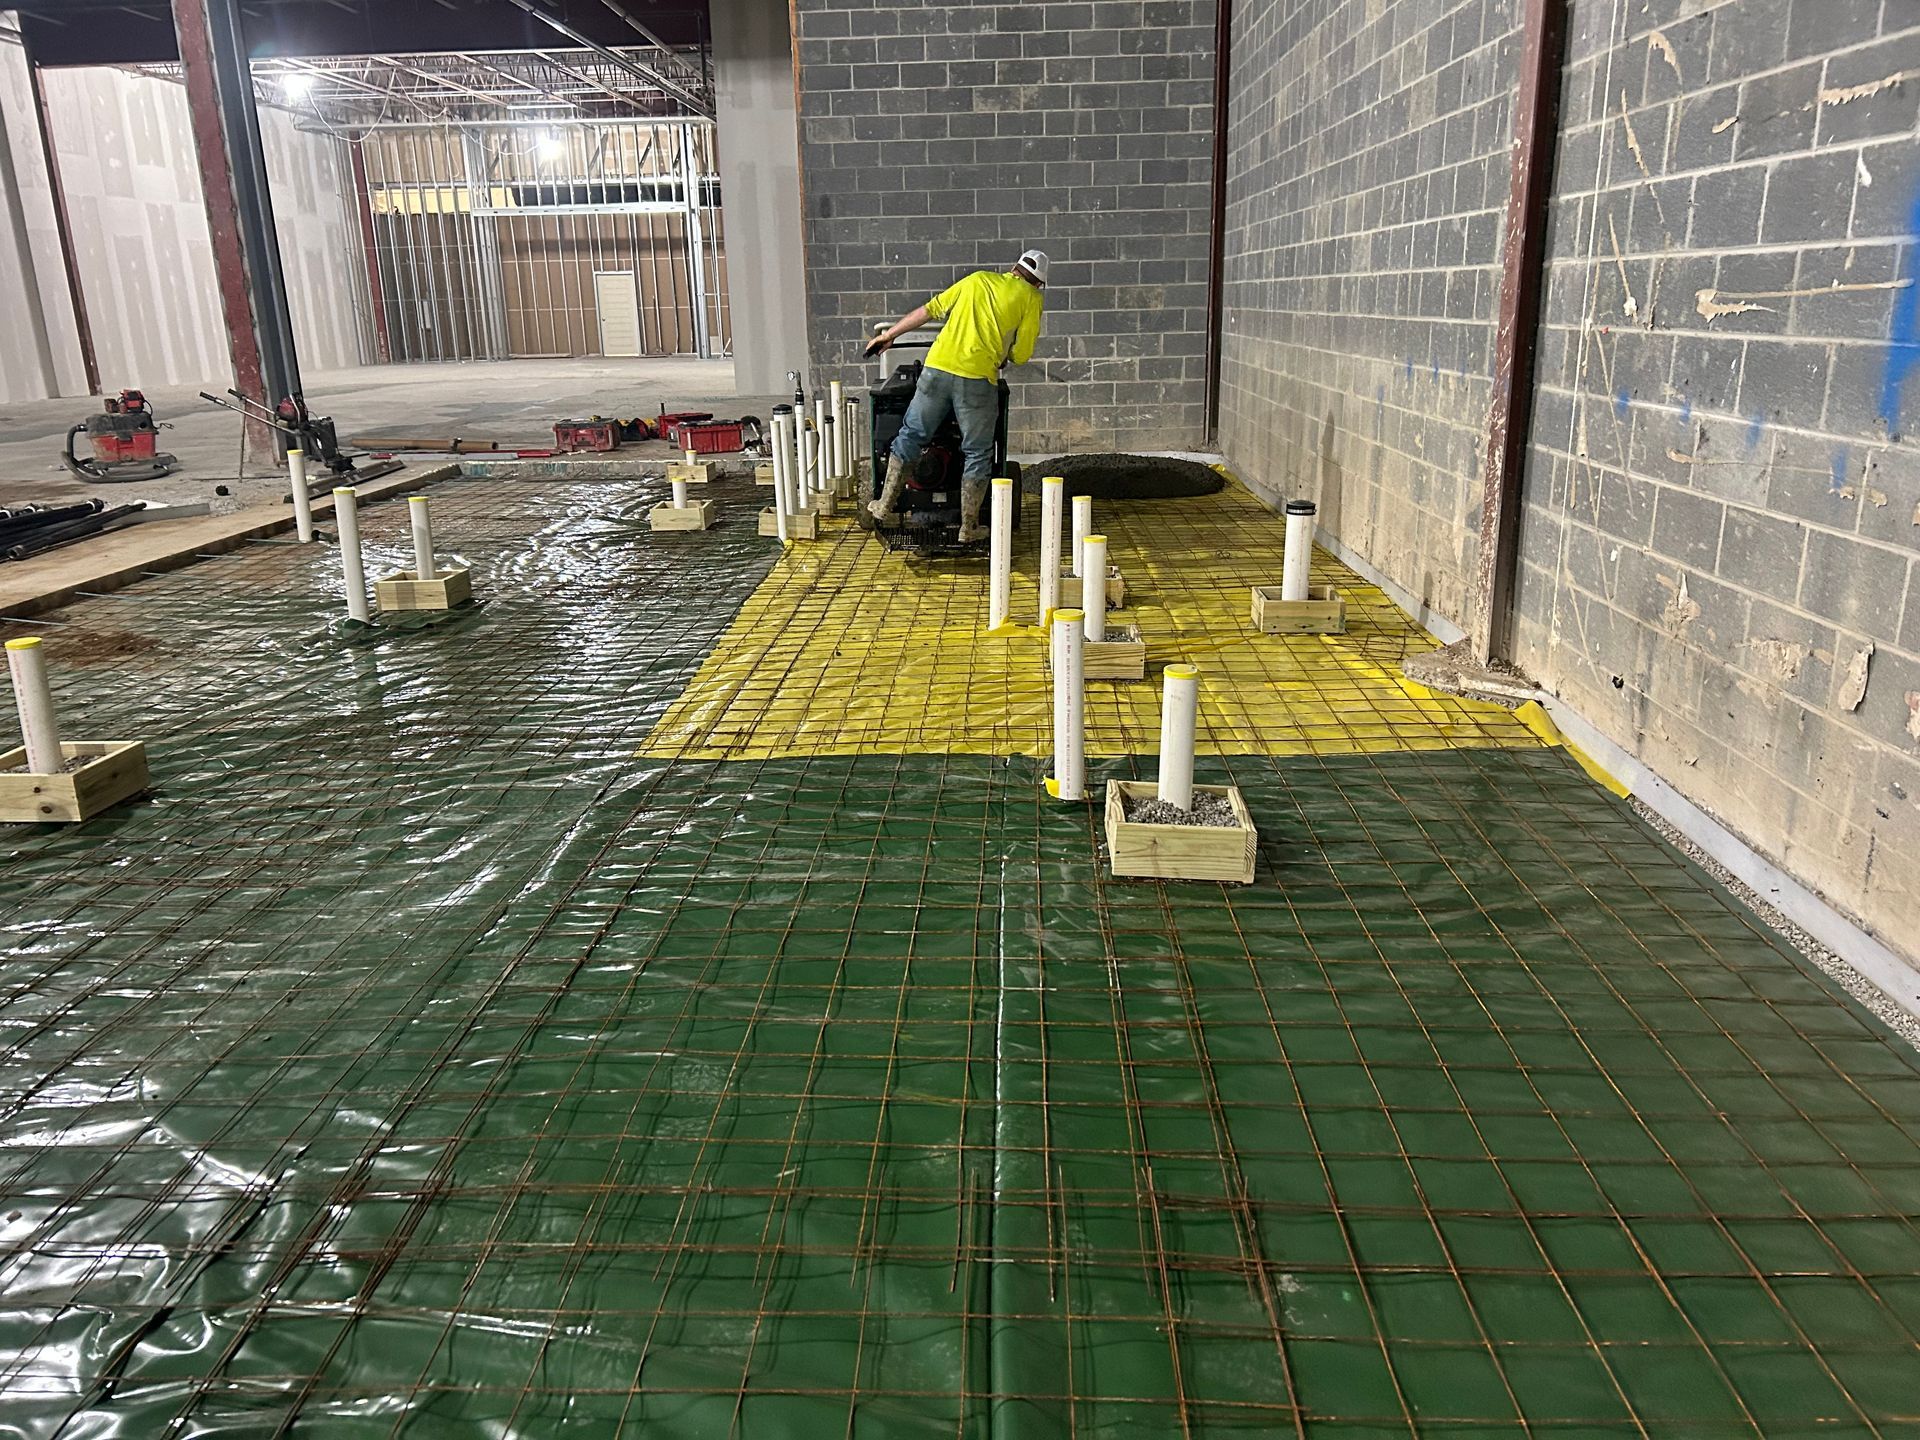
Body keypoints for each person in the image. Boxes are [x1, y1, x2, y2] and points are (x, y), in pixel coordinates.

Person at [862, 248, 1048, 542]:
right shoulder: (1032, 298)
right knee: (978, 451)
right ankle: (968, 527)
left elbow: (928, 309)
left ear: (1013, 268)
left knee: (910, 436)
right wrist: (1005, 352)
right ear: (1038, 283)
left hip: (936, 368)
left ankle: (884, 505)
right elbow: (1022, 353)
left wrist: (890, 335)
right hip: (976, 379)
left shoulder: (977, 280)